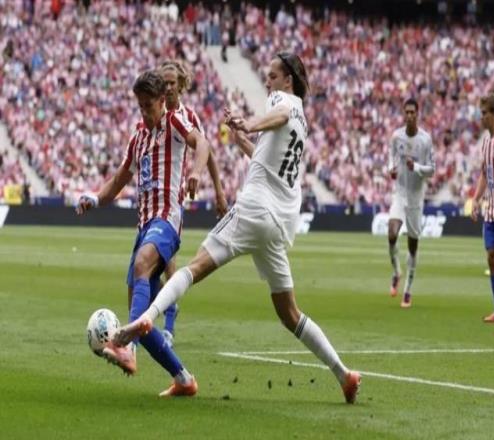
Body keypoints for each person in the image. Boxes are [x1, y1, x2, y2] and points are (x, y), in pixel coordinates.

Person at [111, 52, 361, 404]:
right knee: (290, 314)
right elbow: (263, 156)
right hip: (277, 225)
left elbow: (279, 114)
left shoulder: (284, 101)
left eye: (272, 75)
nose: (268, 81)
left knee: (193, 268)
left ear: (288, 79)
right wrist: (240, 136)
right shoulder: (303, 123)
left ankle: (145, 319)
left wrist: (248, 123)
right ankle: (344, 374)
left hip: (254, 209)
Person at [76, 69, 210, 397]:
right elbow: (118, 180)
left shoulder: (175, 122)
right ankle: (183, 379)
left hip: (167, 220)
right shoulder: (138, 138)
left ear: (162, 101)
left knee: (141, 265)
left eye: (149, 105)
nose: (145, 112)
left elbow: (202, 142)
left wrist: (195, 171)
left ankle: (127, 348)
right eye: (140, 106)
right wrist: (95, 197)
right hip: (144, 226)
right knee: (142, 318)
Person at [156, 59, 228, 348]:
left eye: (172, 83)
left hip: (172, 199)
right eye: (164, 83)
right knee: (152, 265)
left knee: (165, 262)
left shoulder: (187, 117)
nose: (168, 87)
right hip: (151, 198)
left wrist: (219, 192)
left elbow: (206, 151)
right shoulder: (153, 111)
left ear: (181, 85)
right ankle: (162, 314)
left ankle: (168, 325)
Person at [387, 98, 435, 308]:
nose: (409, 116)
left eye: (412, 112)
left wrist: (415, 166)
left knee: (412, 247)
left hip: (416, 197)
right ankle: (397, 272)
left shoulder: (425, 140)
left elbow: (432, 169)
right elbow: (391, 157)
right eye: (406, 112)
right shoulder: (396, 136)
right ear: (403, 113)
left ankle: (408, 289)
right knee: (391, 234)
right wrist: (391, 169)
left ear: (418, 114)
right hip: (400, 193)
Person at [471, 94, 494, 323]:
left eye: (485, 113)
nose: (481, 117)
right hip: (490, 211)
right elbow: (484, 173)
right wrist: (476, 199)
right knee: (491, 258)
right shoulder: (486, 143)